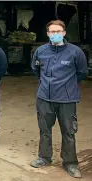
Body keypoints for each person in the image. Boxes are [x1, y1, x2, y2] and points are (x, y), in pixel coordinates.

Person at [30, 20, 88, 178]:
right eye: (51, 32)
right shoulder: (40, 51)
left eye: (58, 31)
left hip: (67, 99)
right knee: (45, 130)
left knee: (68, 132)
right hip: (44, 98)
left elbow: (82, 72)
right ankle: (44, 157)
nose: (54, 34)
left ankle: (70, 163)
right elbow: (35, 69)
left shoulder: (75, 52)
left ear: (64, 33)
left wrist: (67, 85)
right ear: (48, 34)